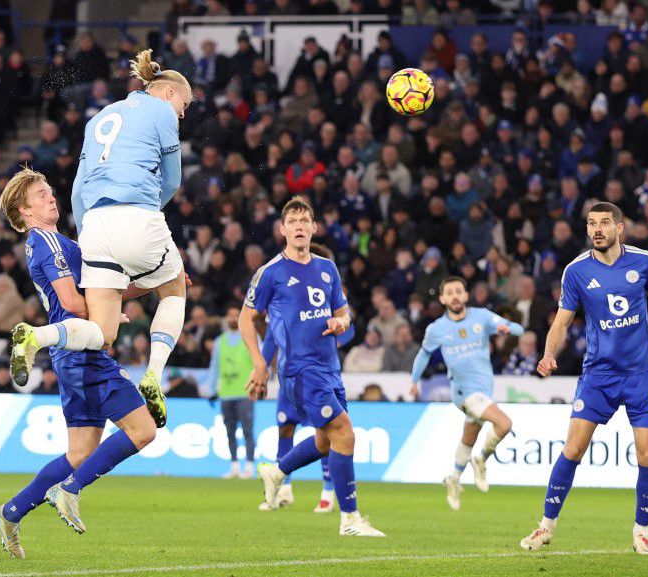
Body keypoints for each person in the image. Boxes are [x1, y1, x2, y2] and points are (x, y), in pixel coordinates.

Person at [11, 49, 192, 431]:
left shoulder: (98, 118)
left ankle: (38, 337)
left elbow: (78, 189)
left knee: (104, 331)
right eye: (185, 104)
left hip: (93, 226)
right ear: (170, 93)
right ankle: (154, 375)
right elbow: (172, 181)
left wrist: (90, 234)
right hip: (137, 214)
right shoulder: (161, 112)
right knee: (175, 286)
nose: (184, 113)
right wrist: (145, 214)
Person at [0, 168, 159, 558]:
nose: (52, 198)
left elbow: (103, 295)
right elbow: (71, 302)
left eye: (51, 191)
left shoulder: (53, 241)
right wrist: (106, 317)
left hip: (70, 355)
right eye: (42, 194)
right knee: (144, 430)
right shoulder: (46, 240)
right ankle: (69, 490)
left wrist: (155, 283)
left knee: (80, 454)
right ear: (24, 209)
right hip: (83, 354)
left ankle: (10, 512)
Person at [520, 202, 648, 555]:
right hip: (598, 375)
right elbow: (561, 322)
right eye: (592, 224)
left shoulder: (644, 261)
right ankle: (545, 526)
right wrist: (548, 354)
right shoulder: (575, 271)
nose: (597, 229)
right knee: (573, 448)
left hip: (641, 374)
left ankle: (642, 530)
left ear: (619, 227)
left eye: (605, 223)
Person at [239, 197, 384, 537]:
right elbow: (246, 318)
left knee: (326, 440)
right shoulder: (270, 273)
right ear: (283, 230)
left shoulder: (327, 269)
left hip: (330, 368)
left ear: (314, 228)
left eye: (305, 220)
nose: (300, 226)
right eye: (293, 221)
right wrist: (259, 363)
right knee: (344, 432)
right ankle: (349, 519)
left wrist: (341, 323)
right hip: (299, 370)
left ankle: (276, 473)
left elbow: (343, 313)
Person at [410, 277, 524, 509]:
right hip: (464, 392)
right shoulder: (437, 329)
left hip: (484, 390)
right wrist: (414, 381)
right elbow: (423, 354)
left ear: (465, 295)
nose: (454, 296)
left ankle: (453, 477)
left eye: (458, 291)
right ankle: (481, 459)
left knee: (468, 438)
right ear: (442, 299)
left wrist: (506, 328)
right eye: (449, 292)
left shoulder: (481, 317)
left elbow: (518, 328)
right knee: (504, 424)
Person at [205, 304, 256, 480]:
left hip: (245, 392)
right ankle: (234, 466)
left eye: (236, 315)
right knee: (230, 431)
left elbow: (260, 362)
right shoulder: (220, 341)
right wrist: (212, 390)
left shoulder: (251, 337)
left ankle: (249, 467)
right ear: (227, 318)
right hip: (226, 392)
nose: (233, 318)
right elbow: (214, 366)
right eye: (231, 315)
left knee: (248, 430)